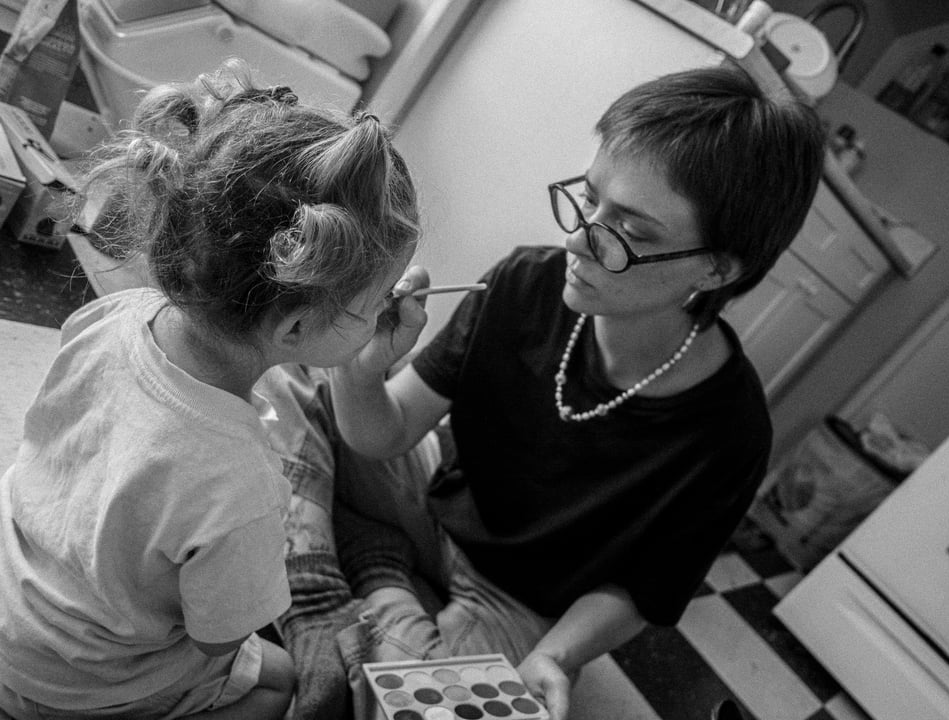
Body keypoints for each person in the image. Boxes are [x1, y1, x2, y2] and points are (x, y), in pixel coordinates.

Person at [256, 63, 825, 720]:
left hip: (517, 601)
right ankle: (341, 592)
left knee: (439, 706)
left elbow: (643, 592)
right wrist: (359, 368)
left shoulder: (730, 433)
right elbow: (386, 434)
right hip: (431, 497)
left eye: (630, 233)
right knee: (286, 372)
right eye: (589, 199)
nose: (577, 240)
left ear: (719, 267)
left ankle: (378, 570)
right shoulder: (527, 280)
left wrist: (558, 657)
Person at [0, 59, 421, 720]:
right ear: (300, 324)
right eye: (375, 304)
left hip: (13, 603)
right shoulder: (244, 483)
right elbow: (216, 636)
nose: (383, 313)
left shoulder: (113, 315)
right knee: (281, 679)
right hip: (77, 680)